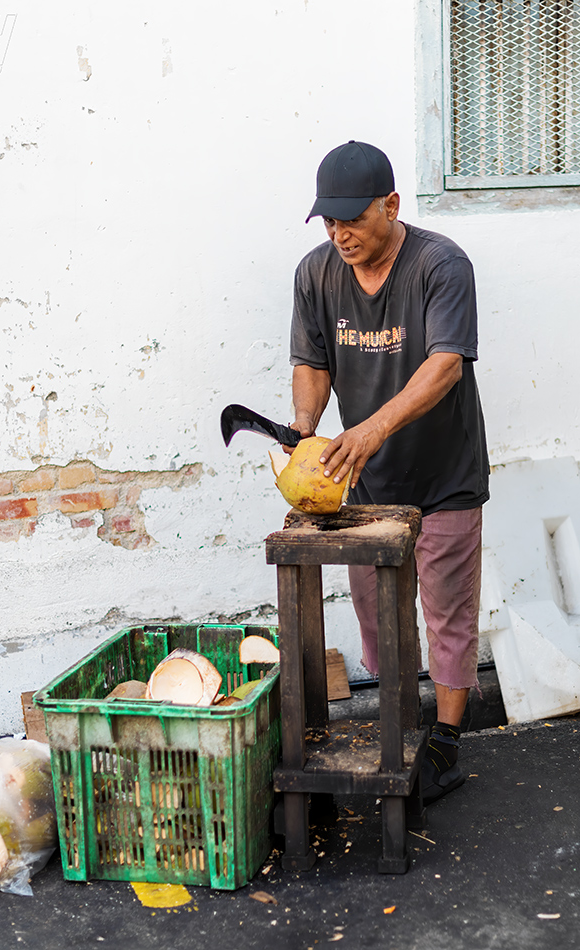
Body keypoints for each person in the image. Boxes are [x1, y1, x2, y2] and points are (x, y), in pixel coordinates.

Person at [287, 140, 489, 804]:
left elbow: (445, 365)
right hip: (367, 483)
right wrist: (305, 432)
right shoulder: (315, 274)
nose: (340, 234)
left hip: (444, 473)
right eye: (329, 221)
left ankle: (448, 741)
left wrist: (369, 428)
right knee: (379, 615)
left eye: (353, 219)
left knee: (448, 611)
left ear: (391, 205)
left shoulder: (440, 264)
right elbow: (313, 362)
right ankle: (401, 726)